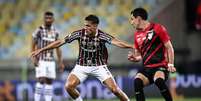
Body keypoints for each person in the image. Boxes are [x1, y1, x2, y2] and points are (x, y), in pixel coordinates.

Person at [31, 14, 132, 101]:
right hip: (82, 65)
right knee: (68, 86)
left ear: (95, 26)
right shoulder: (79, 33)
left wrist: (132, 46)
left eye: (88, 26)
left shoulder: (102, 36)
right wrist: (41, 49)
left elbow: (118, 42)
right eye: (85, 25)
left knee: (115, 90)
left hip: (99, 66)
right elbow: (60, 42)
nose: (85, 28)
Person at [127, 8, 176, 101]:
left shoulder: (158, 28)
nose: (131, 22)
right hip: (146, 68)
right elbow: (140, 56)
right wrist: (135, 58)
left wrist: (171, 64)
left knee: (158, 81)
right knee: (137, 82)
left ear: (138, 18)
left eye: (132, 19)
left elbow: (169, 47)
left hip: (160, 66)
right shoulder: (137, 35)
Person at [31, 11, 65, 101]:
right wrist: (34, 57)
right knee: (41, 80)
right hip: (40, 59)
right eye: (46, 18)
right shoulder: (39, 30)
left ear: (53, 19)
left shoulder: (56, 32)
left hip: (50, 60)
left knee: (49, 81)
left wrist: (60, 62)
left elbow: (58, 47)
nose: (48, 20)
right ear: (44, 19)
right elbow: (33, 44)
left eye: (50, 18)